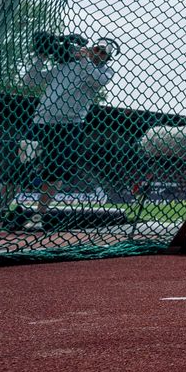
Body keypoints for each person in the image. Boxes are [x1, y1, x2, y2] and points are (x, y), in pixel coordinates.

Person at [20, 39, 115, 229]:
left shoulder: (105, 72)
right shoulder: (65, 66)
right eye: (96, 48)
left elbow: (97, 80)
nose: (97, 53)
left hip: (69, 125)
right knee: (19, 163)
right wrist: (41, 57)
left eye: (103, 52)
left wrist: (84, 60)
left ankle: (39, 215)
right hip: (41, 120)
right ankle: (1, 210)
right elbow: (29, 80)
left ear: (107, 58)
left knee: (55, 171)